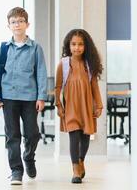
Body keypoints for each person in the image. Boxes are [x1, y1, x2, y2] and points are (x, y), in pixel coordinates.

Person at [0, 7, 48, 185]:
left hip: (30, 98)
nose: (17, 25)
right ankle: (16, 171)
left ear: (27, 24)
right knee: (12, 135)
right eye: (13, 22)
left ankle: (29, 158)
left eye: (20, 21)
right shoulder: (4, 48)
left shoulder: (35, 48)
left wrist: (41, 97)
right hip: (8, 97)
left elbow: (41, 73)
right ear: (9, 26)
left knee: (32, 134)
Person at [55, 29, 103, 184]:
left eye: (80, 44)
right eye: (74, 44)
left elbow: (94, 86)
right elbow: (57, 87)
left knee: (85, 137)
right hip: (70, 107)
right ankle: (75, 168)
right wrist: (58, 105)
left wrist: (99, 105)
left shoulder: (89, 64)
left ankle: (81, 160)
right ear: (68, 46)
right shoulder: (63, 64)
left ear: (86, 46)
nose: (77, 47)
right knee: (74, 137)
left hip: (86, 105)